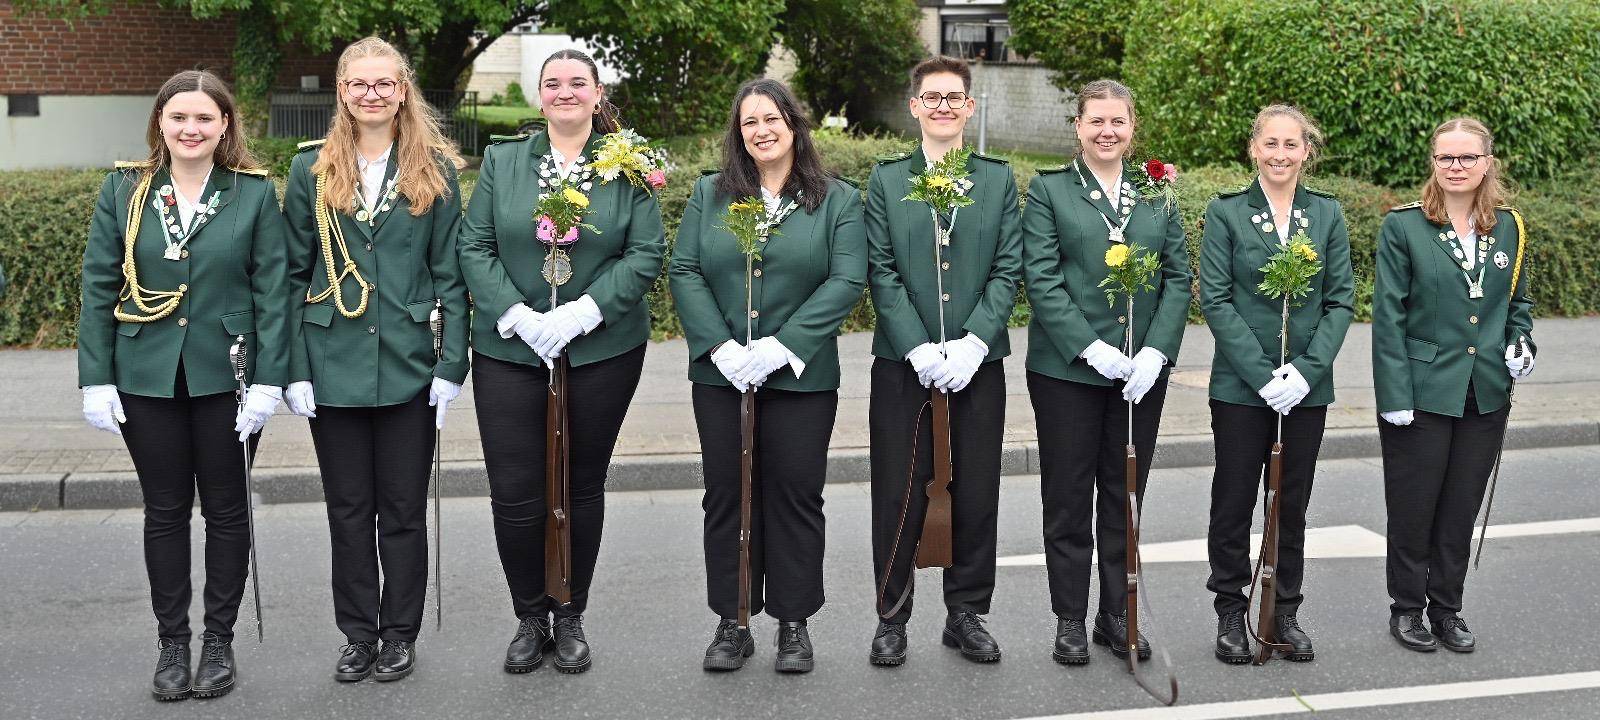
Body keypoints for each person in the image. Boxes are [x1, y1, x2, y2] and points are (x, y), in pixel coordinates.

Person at [77, 69, 288, 700]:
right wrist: (96, 378)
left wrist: (269, 381)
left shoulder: (251, 195)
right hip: (145, 376)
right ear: (160, 125)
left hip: (230, 376)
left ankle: (218, 641)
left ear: (225, 125)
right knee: (165, 512)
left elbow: (273, 292)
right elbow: (98, 286)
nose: (191, 129)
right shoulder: (125, 190)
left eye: (204, 118)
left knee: (227, 511)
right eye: (179, 118)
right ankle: (173, 642)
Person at [457, 48, 665, 675]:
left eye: (578, 82)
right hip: (510, 352)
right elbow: (476, 242)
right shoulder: (502, 160)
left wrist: (583, 313)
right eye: (553, 83)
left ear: (599, 93)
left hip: (601, 349)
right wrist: (517, 316)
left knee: (579, 486)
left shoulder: (630, 165)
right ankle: (529, 614)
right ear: (538, 95)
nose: (565, 92)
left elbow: (646, 252)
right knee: (516, 491)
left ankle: (570, 612)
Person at [282, 36, 470, 683]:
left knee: (402, 511)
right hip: (330, 363)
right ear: (341, 91)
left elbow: (452, 276)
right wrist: (293, 369)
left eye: (383, 83)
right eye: (359, 84)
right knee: (348, 512)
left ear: (402, 91)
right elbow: (290, 274)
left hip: (409, 365)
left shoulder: (436, 171)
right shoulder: (309, 170)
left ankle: (399, 633)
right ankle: (358, 634)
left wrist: (453, 369)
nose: (371, 93)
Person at [670, 77, 865, 674]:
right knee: (727, 494)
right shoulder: (711, 194)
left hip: (801, 379)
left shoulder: (836, 199)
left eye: (773, 118)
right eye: (750, 122)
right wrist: (720, 347)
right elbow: (684, 268)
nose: (762, 130)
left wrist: (785, 346)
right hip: (722, 376)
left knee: (795, 495)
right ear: (738, 133)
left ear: (794, 125)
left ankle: (793, 622)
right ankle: (733, 622)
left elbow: (846, 279)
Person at [1021, 79, 1190, 665]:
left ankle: (1117, 614)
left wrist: (1156, 352)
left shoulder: (1158, 191)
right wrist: (1089, 347)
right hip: (1067, 371)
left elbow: (1177, 277)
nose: (1107, 131)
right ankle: (1069, 617)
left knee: (1124, 495)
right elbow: (1040, 277)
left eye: (1117, 121)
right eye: (1096, 121)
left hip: (1139, 374)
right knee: (1068, 497)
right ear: (1079, 126)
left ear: (1132, 128)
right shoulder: (1050, 191)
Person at [863, 56, 1021, 666]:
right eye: (932, 97)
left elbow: (1009, 265)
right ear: (915, 106)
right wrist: (918, 344)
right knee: (899, 490)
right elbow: (880, 267)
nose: (943, 107)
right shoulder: (886, 180)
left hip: (979, 365)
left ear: (970, 107)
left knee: (976, 487)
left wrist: (977, 340)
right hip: (904, 365)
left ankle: (967, 614)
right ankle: (892, 616)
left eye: (954, 98)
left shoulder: (997, 179)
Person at [1372, 117, 1534, 653]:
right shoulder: (1405, 227)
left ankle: (1447, 608)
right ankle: (1407, 608)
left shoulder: (1509, 226)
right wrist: (1394, 396)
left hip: (1484, 391)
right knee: (1415, 505)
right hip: (1422, 390)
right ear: (1433, 164)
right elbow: (1388, 319)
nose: (1456, 168)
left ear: (1487, 162)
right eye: (1446, 158)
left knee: (1460, 506)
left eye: (1467, 158)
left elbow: (1518, 305)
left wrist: (1521, 344)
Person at [1199, 104, 1353, 664]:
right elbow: (1214, 298)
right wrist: (1264, 375)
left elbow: (1340, 301)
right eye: (1271, 144)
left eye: (1292, 145)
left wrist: (1306, 372)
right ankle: (1229, 610)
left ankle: (1284, 609)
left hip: (1306, 388)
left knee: (1291, 501)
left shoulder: (1327, 214)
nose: (1281, 154)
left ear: (1306, 151)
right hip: (1242, 389)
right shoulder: (1227, 213)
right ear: (1254, 148)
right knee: (1235, 498)